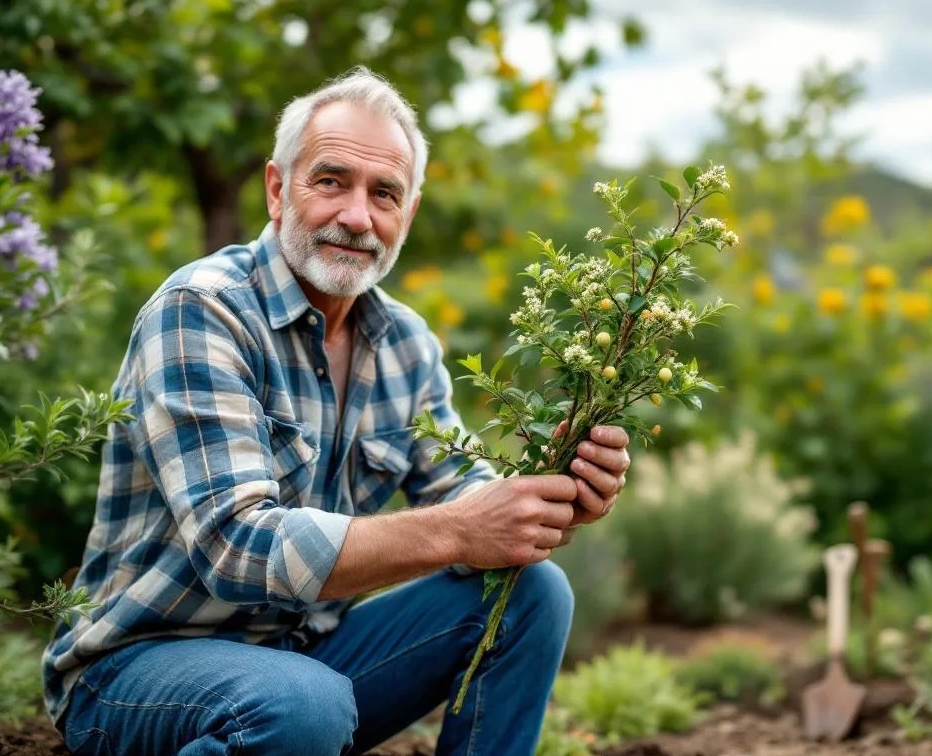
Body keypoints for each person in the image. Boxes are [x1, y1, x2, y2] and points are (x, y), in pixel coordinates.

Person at [41, 66, 632, 756]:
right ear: (276, 189)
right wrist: (461, 529)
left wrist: (551, 494)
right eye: (331, 181)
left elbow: (468, 500)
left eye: (385, 194)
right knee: (301, 705)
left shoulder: (405, 343)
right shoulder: (201, 310)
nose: (357, 217)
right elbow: (235, 547)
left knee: (533, 593)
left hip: (307, 666)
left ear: (406, 215)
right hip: (134, 673)